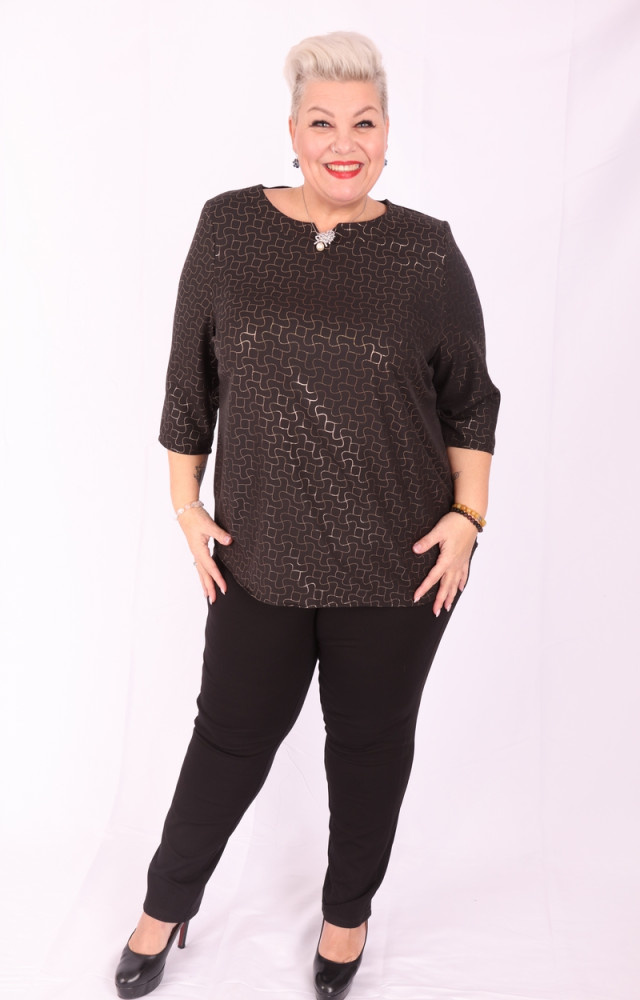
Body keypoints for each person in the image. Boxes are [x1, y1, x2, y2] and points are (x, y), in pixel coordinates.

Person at [114, 29, 500, 1000]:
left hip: (398, 565)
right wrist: (183, 505)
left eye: (363, 123)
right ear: (292, 132)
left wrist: (468, 516)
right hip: (260, 557)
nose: (344, 142)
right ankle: (166, 904)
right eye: (323, 122)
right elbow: (188, 385)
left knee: (368, 750)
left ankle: (346, 917)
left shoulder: (425, 251)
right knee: (228, 741)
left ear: (387, 135)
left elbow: (469, 405)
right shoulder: (229, 230)